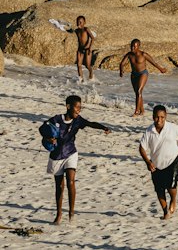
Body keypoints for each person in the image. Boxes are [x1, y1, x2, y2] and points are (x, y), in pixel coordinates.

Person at [42, 95, 111, 223]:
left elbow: (91, 123)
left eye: (80, 107)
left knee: (71, 182)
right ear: (68, 107)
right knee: (59, 186)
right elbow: (42, 129)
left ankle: (71, 213)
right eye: (77, 107)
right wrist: (48, 138)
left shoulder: (78, 120)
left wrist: (103, 128)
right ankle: (58, 214)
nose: (79, 110)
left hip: (71, 153)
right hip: (57, 156)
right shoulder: (56, 119)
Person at [138, 105, 178, 219]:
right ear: (152, 117)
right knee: (159, 190)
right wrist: (147, 161)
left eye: (162, 117)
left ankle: (173, 199)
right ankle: (165, 212)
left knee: (171, 186)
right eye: (157, 117)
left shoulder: (172, 128)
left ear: (165, 117)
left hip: (173, 161)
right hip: (156, 164)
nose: (159, 120)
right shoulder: (149, 131)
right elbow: (141, 148)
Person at [118, 39, 167, 118]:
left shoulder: (143, 54)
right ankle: (142, 110)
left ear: (138, 46)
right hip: (134, 75)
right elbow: (122, 63)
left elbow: (153, 62)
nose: (132, 48)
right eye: (131, 46)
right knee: (137, 93)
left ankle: (136, 112)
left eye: (134, 46)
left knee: (139, 91)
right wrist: (121, 71)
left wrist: (161, 69)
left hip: (143, 74)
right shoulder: (129, 54)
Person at [73, 16, 96, 81]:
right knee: (79, 65)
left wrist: (90, 48)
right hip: (80, 49)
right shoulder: (77, 30)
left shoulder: (86, 29)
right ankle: (81, 80)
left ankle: (91, 75)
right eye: (78, 22)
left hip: (87, 49)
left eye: (80, 22)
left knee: (88, 65)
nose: (79, 23)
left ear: (84, 22)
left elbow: (93, 38)